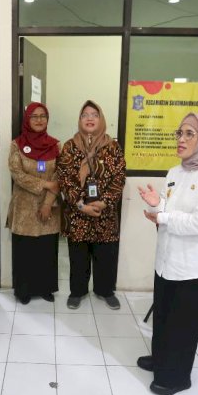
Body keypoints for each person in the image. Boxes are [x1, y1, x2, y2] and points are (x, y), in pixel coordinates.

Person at [136, 113, 198, 395]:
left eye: (190, 133)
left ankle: (176, 377)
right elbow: (168, 207)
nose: (181, 139)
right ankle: (161, 361)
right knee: (164, 316)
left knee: (183, 324)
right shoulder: (176, 171)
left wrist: (163, 216)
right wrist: (157, 205)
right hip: (167, 260)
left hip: (195, 266)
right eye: (180, 133)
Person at [57, 100, 125, 310]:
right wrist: (80, 205)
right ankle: (77, 292)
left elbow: (119, 177)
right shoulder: (70, 146)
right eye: (85, 114)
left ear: (101, 119)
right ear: (80, 119)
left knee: (105, 256)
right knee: (78, 257)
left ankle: (105, 291)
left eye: (94, 114)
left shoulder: (112, 146)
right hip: (78, 214)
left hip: (105, 215)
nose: (89, 118)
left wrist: (104, 203)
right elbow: (65, 177)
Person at [7, 102, 60, 304]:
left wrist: (47, 203)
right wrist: (45, 183)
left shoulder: (56, 145)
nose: (39, 120)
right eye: (34, 116)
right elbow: (17, 174)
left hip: (49, 207)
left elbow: (58, 177)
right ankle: (24, 290)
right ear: (27, 119)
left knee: (46, 249)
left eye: (43, 116)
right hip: (23, 207)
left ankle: (45, 288)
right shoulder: (16, 144)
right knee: (25, 251)